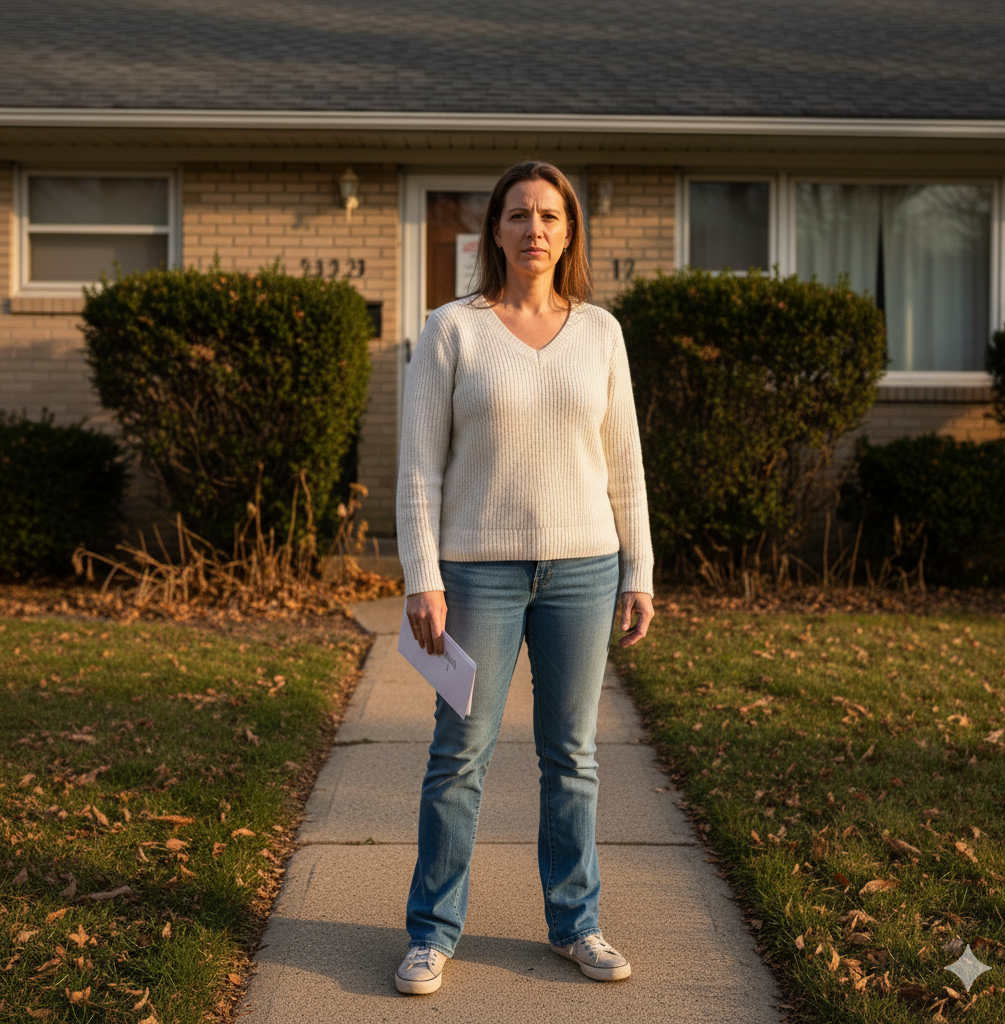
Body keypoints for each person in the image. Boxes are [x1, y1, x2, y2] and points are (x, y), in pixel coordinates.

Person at [394, 159, 655, 995]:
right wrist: (421, 576)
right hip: (475, 575)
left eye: (549, 215)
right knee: (459, 755)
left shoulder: (602, 333)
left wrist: (637, 571)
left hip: (584, 568)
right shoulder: (452, 329)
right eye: (518, 215)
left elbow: (625, 466)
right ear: (493, 233)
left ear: (569, 231)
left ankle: (576, 924)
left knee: (572, 756)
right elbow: (419, 471)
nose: (534, 229)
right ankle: (432, 933)